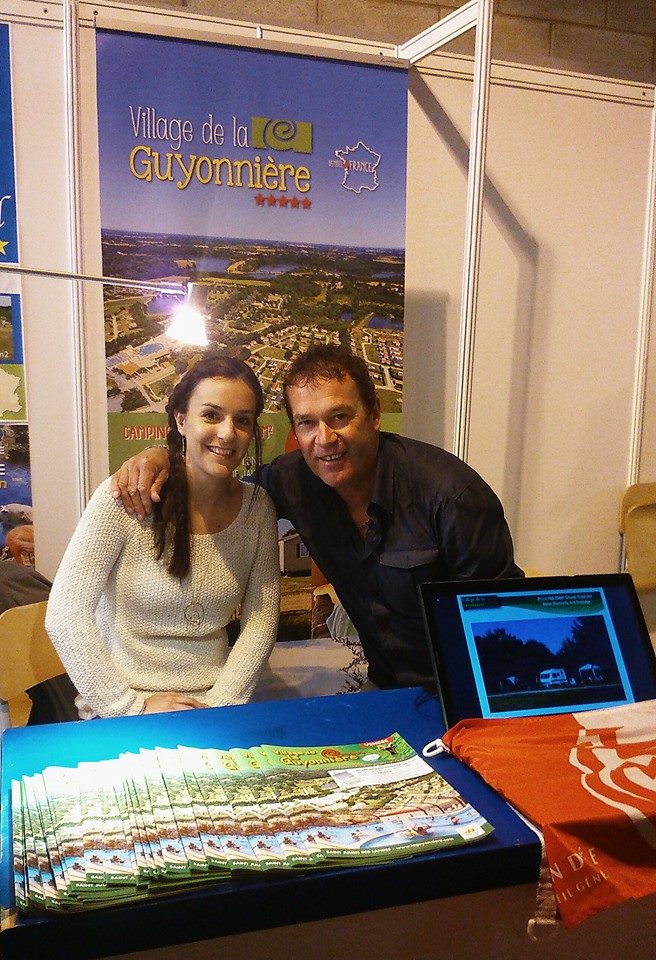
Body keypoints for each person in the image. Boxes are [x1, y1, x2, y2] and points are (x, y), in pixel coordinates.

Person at [112, 344, 521, 691]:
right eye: (307, 423)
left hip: (466, 694)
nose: (324, 439)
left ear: (374, 414)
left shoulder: (453, 497)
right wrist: (162, 456)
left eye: (339, 417)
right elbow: (219, 489)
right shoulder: (293, 480)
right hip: (384, 689)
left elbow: (506, 629)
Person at [46, 353, 280, 718]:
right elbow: (65, 613)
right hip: (123, 710)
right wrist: (130, 708)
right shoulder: (126, 496)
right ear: (181, 420)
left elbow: (261, 620)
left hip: (214, 705)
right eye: (211, 415)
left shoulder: (257, 508)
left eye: (242, 420)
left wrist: (218, 706)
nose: (227, 432)